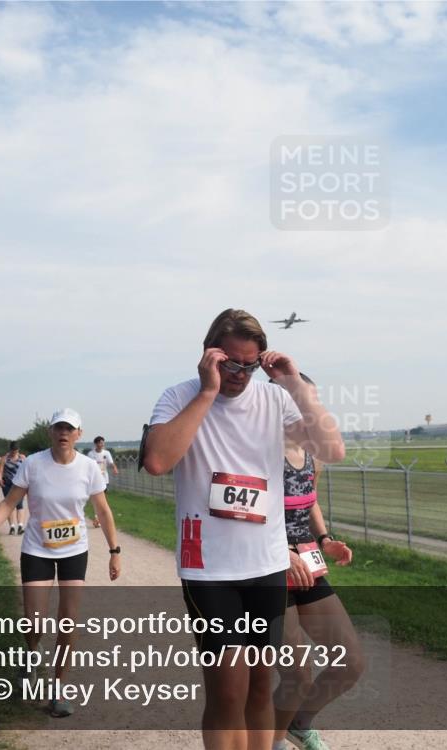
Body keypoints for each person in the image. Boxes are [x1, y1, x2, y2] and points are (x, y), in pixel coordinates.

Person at [143, 309, 345, 750]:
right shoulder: (179, 397)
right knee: (228, 691)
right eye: (228, 363)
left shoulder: (274, 400)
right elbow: (158, 462)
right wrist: (207, 391)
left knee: (258, 688)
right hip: (210, 568)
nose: (238, 374)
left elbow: (333, 448)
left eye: (248, 366)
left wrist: (292, 382)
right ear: (208, 354)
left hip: (267, 565)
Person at [0, 408, 122, 717]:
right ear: (51, 432)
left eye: (69, 429)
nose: (63, 433)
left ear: (79, 434)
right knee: (35, 620)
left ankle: (58, 690)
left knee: (68, 620)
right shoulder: (33, 464)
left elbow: (102, 511)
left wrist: (115, 551)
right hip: (37, 549)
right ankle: (31, 653)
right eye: (58, 428)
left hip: (74, 550)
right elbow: (9, 502)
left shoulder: (89, 468)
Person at [271, 379, 363, 750]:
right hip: (267, 564)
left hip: (306, 558)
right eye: (300, 400)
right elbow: (242, 515)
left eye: (313, 400)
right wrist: (280, 552)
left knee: (351, 663)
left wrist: (325, 539)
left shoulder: (312, 453)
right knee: (296, 672)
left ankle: (300, 722)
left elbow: (308, 501)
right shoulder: (258, 452)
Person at [88, 436, 118, 527]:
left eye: (103, 443)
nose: (102, 445)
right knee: (96, 499)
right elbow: (88, 467)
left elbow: (111, 462)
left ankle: (99, 518)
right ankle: (97, 517)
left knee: (103, 499)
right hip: (94, 479)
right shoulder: (91, 454)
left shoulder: (106, 453)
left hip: (104, 479)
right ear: (96, 444)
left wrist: (115, 468)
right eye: (100, 443)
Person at [1, 442, 27, 535]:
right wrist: (0, 480)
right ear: (10, 449)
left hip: (19, 485)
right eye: (12, 451)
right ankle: (12, 526)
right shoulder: (4, 459)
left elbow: (27, 470)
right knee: (9, 506)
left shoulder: (23, 458)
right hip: (7, 485)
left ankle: (20, 526)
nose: (14, 453)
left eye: (15, 451)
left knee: (19, 505)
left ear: (18, 450)